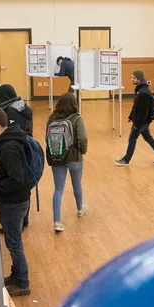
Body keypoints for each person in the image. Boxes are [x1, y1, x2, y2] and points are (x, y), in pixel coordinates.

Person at [0, 106, 31, 296]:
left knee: (14, 243)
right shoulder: (5, 142)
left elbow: (17, 179)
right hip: (12, 200)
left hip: (14, 202)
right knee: (12, 241)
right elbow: (8, 173)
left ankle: (23, 282)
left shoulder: (8, 147)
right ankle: (16, 275)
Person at [45, 93, 87, 233]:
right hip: (74, 158)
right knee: (77, 184)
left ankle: (57, 221)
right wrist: (83, 151)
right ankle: (80, 208)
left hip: (57, 158)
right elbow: (82, 139)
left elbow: (47, 138)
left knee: (58, 189)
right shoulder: (76, 119)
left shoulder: (51, 119)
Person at [0, 83, 34, 228]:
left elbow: (9, 133)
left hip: (15, 151)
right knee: (25, 183)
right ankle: (25, 218)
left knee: (16, 181)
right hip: (26, 148)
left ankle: (19, 220)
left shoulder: (11, 112)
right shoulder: (22, 105)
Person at [115, 70, 154, 166]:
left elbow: (143, 111)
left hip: (142, 122)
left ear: (139, 79)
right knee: (148, 137)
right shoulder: (140, 90)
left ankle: (126, 160)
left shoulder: (143, 92)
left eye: (133, 78)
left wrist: (137, 124)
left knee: (132, 139)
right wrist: (131, 116)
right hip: (143, 121)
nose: (131, 79)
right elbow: (136, 106)